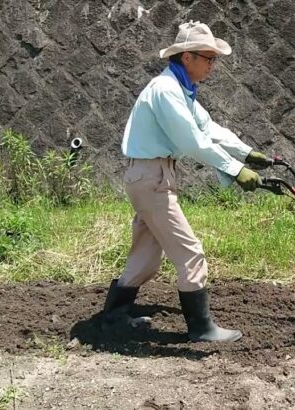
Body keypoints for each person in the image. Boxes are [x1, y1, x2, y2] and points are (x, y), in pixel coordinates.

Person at [101, 21, 272, 343]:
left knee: (146, 254)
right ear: (186, 57)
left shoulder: (181, 90)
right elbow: (193, 141)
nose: (212, 65)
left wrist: (249, 153)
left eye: (213, 59)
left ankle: (114, 316)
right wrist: (236, 170)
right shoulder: (166, 91)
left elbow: (210, 129)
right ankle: (201, 327)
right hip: (151, 178)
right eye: (207, 58)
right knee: (190, 252)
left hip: (152, 175)